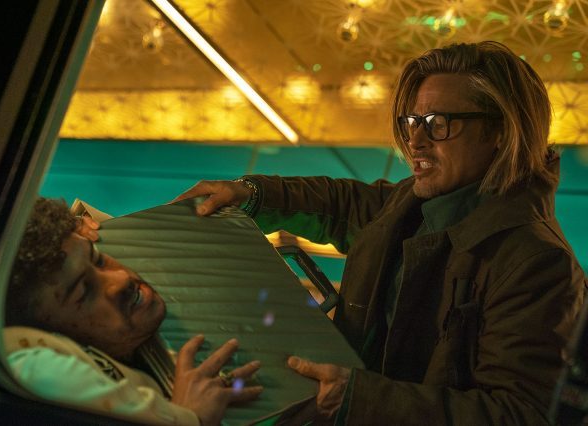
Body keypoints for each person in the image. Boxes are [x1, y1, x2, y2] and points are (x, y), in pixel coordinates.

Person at [172, 41, 587, 424]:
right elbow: (337, 204)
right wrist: (251, 194)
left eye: (437, 123)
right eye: (411, 122)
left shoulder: (539, 264)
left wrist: (359, 398)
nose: (414, 141)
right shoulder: (412, 203)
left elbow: (519, 415)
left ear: (501, 132)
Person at [5, 197, 263, 426]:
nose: (120, 279)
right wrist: (189, 417)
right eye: (84, 293)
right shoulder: (44, 375)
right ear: (49, 334)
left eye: (98, 258)